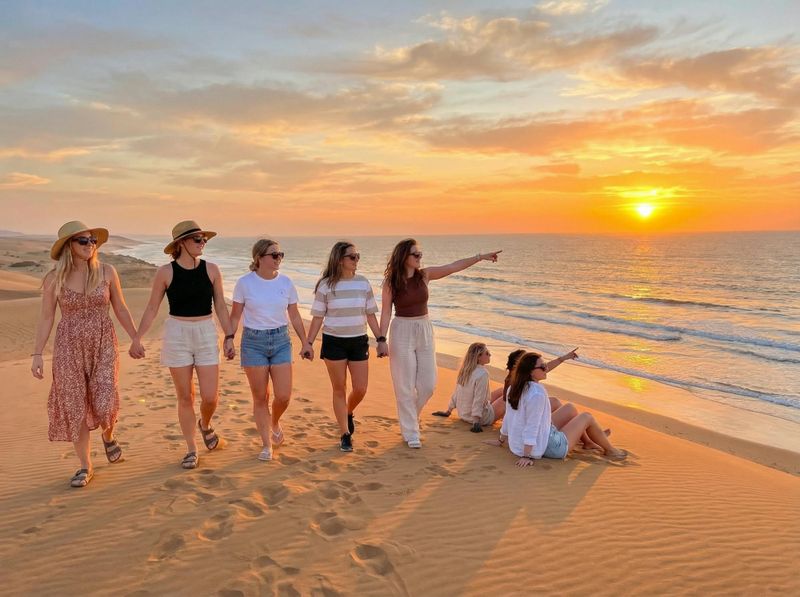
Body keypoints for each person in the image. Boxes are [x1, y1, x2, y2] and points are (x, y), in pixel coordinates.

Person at [31, 221, 142, 488]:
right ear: (69, 246)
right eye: (83, 241)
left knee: (105, 399)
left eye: (93, 240)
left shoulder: (106, 271)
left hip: (103, 342)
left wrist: (136, 337)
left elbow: (121, 308)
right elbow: (46, 318)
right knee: (75, 404)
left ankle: (108, 434)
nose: (90, 245)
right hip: (68, 346)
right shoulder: (53, 278)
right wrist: (36, 353)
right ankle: (85, 466)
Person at [131, 220, 235, 470]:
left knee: (210, 397)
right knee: (185, 397)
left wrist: (230, 336)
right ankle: (191, 448)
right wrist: (137, 337)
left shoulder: (212, 269)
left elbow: (221, 305)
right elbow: (152, 307)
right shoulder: (165, 273)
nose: (202, 243)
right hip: (177, 333)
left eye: (203, 239)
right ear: (181, 244)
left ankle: (206, 424)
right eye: (197, 239)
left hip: (206, 332)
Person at [380, 239, 501, 448]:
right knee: (405, 386)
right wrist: (381, 339)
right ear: (403, 257)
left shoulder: (424, 276)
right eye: (415, 255)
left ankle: (410, 419)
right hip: (401, 331)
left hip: (424, 329)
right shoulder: (391, 282)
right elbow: (385, 312)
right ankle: (411, 433)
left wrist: (480, 257)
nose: (420, 258)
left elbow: (452, 267)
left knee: (428, 385)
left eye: (420, 254)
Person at [229, 239, 313, 462]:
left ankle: (274, 421)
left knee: (283, 396)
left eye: (280, 254)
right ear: (259, 258)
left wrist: (306, 342)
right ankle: (267, 445)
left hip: (281, 340)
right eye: (274, 255)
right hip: (253, 342)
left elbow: (294, 315)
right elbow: (236, 315)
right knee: (260, 397)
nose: (279, 259)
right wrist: (229, 338)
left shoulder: (286, 282)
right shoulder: (244, 283)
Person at [306, 242, 386, 452]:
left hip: (358, 340)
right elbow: (317, 318)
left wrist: (380, 339)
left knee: (360, 388)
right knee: (339, 388)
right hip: (334, 341)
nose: (356, 260)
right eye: (352, 257)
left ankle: (348, 412)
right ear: (340, 260)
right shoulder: (326, 285)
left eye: (357, 256)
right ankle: (344, 433)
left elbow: (370, 315)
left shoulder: (363, 283)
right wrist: (308, 343)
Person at [488, 352, 627, 465]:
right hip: (550, 447)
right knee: (587, 417)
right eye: (542, 367)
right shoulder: (537, 393)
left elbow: (509, 418)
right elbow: (532, 426)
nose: (546, 368)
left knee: (570, 408)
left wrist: (501, 439)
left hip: (523, 442)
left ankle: (589, 441)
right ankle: (611, 450)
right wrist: (526, 456)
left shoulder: (514, 388)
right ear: (530, 372)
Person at [431, 343, 505, 431]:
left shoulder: (465, 370)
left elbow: (456, 393)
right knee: (509, 396)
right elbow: (479, 399)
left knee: (503, 390)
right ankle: (507, 425)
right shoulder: (482, 373)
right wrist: (476, 422)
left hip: (463, 414)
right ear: (478, 357)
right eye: (487, 353)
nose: (490, 355)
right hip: (480, 418)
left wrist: (448, 411)